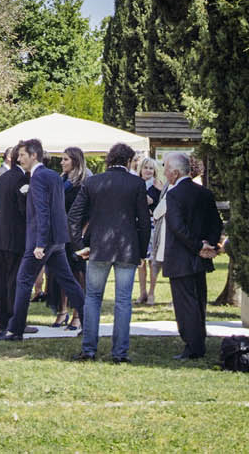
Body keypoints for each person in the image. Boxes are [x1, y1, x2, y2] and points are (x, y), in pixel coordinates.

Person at [0, 138, 87, 342]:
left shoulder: (38, 177)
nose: (18, 158)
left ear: (33, 155)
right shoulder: (53, 176)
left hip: (42, 239)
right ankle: (88, 322)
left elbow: (43, 211)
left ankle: (15, 330)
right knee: (69, 281)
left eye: (22, 155)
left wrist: (39, 243)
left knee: (23, 281)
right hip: (58, 239)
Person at [70, 142, 148, 363]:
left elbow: (74, 216)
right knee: (123, 301)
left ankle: (89, 349)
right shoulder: (136, 183)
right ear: (128, 161)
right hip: (127, 247)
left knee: (93, 298)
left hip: (98, 247)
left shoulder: (93, 182)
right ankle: (120, 353)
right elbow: (143, 221)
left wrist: (79, 245)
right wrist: (142, 251)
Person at [161, 151, 224, 361]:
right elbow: (216, 223)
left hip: (181, 256)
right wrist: (210, 244)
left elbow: (177, 227)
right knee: (199, 302)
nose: (165, 173)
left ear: (175, 172)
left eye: (166, 169)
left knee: (185, 304)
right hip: (200, 258)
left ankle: (193, 345)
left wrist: (198, 246)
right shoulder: (204, 193)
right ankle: (199, 341)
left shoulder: (174, 194)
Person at [0, 146, 28, 333]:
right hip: (15, 237)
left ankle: (2, 321)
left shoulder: (3, 177)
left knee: (4, 280)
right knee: (14, 281)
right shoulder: (21, 179)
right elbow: (23, 209)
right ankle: (13, 320)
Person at [53, 147, 91, 328]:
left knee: (77, 274)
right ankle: (62, 310)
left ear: (75, 161)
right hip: (61, 233)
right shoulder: (61, 181)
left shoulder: (83, 183)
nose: (62, 162)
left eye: (65, 159)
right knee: (60, 273)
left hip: (76, 235)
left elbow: (89, 212)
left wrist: (82, 233)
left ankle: (78, 313)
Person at [138, 156, 165, 305]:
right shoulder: (137, 183)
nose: (148, 171)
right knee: (140, 261)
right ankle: (142, 292)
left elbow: (148, 201)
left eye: (151, 168)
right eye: (145, 167)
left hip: (152, 225)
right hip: (139, 225)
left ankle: (152, 293)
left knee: (152, 261)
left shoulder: (157, 185)